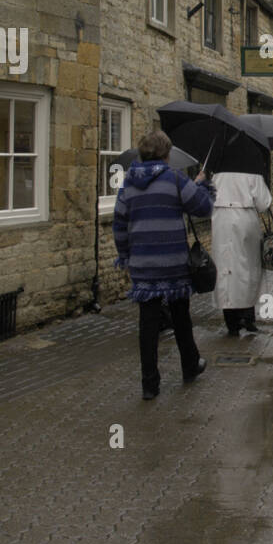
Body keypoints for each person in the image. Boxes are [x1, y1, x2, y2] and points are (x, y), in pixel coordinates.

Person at [113, 130, 215, 400]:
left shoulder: (128, 184)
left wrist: (124, 256)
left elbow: (119, 224)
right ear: (166, 154)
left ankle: (149, 384)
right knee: (181, 317)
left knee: (148, 324)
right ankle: (190, 366)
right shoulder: (175, 179)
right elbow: (203, 207)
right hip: (173, 264)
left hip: (143, 265)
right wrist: (202, 184)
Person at [211, 167, 273, 335]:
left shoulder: (216, 173)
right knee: (248, 269)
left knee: (225, 269)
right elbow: (263, 203)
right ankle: (248, 317)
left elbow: (206, 197)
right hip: (245, 218)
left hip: (221, 219)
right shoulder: (252, 171)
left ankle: (231, 322)